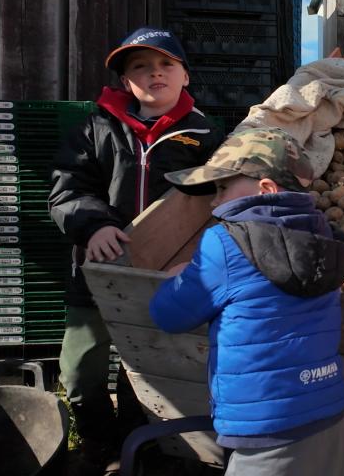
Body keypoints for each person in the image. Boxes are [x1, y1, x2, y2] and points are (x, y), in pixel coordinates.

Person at [49, 27, 224, 474]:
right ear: (126, 81)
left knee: (147, 372)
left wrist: (198, 258)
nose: (154, 73)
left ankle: (137, 447)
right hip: (97, 272)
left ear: (185, 76)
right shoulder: (95, 128)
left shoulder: (207, 136)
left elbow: (218, 204)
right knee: (79, 372)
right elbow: (68, 190)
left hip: (167, 279)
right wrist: (93, 227)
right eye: (141, 67)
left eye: (166, 64)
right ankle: (98, 444)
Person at [149, 127, 344, 476]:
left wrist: (178, 276)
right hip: (328, 413)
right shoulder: (325, 236)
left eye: (222, 188)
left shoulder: (224, 243)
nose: (213, 202)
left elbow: (168, 314)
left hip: (266, 427)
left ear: (266, 190)